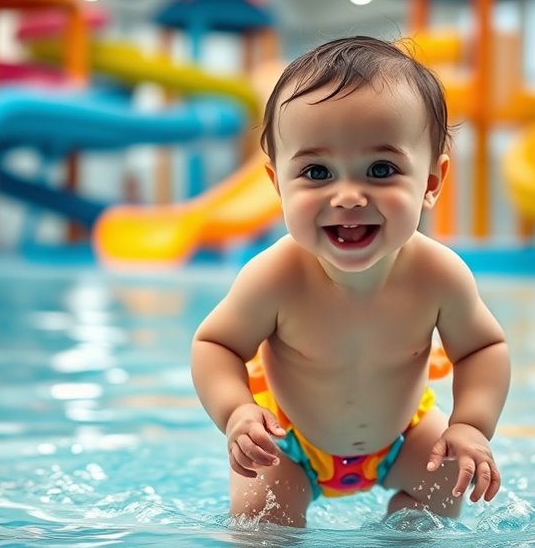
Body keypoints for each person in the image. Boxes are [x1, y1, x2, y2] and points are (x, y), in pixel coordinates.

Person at [190, 36, 510, 527]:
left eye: (381, 169)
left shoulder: (439, 275)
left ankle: (405, 534)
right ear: (278, 184)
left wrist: (470, 424)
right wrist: (236, 412)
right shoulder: (275, 276)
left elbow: (483, 349)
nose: (348, 195)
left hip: (404, 438)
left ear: (430, 182)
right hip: (289, 445)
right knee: (261, 522)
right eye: (317, 171)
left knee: (446, 479)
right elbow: (214, 344)